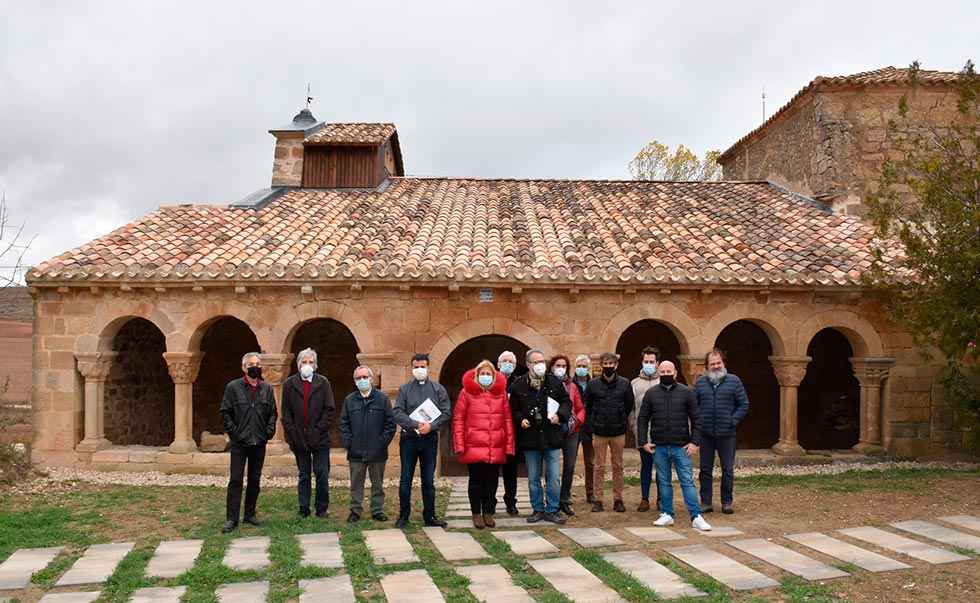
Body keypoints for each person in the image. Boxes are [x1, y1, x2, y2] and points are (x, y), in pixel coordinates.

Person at [637, 361, 712, 531]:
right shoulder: (651, 393)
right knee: (663, 481)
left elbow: (697, 419)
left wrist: (695, 442)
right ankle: (667, 514)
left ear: (675, 373)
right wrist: (643, 442)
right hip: (660, 446)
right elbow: (642, 418)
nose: (665, 374)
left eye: (668, 371)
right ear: (658, 373)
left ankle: (696, 516)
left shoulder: (686, 392)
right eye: (662, 371)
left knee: (687, 481)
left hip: (682, 446)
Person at [509, 349, 571, 524]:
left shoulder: (555, 383)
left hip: (552, 436)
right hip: (530, 438)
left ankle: (552, 510)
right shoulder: (518, 385)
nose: (540, 365)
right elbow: (513, 409)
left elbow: (567, 402)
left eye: (542, 361)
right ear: (528, 364)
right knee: (533, 477)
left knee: (553, 477)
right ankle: (537, 509)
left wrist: (560, 415)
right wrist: (520, 420)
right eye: (536, 362)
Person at [219, 352, 277, 533]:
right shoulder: (233, 387)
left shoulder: (266, 389)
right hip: (240, 442)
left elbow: (273, 413)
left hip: (259, 441)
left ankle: (250, 514)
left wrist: (269, 432)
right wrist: (235, 433)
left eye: (258, 364)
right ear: (244, 367)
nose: (255, 367)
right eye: (251, 364)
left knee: (254, 479)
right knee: (236, 480)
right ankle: (232, 518)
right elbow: (225, 412)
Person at [452, 360, 515, 529]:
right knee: (476, 481)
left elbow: (508, 420)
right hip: (473, 445)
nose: (485, 377)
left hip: (495, 445)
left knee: (492, 481)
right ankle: (476, 513)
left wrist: (509, 445)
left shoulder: (500, 394)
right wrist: (459, 444)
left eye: (489, 374)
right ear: (477, 376)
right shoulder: (466, 393)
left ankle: (488, 512)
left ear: (494, 377)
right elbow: (458, 419)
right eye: (482, 374)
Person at [392, 353, 452, 528]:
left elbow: (446, 412)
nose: (419, 369)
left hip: (429, 440)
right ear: (412, 368)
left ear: (428, 368)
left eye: (422, 366)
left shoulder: (438, 389)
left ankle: (430, 516)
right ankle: (403, 515)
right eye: (416, 367)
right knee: (405, 479)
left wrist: (431, 427)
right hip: (409, 439)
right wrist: (416, 424)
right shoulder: (404, 389)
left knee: (428, 480)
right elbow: (397, 412)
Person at [281, 348, 335, 519]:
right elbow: (286, 412)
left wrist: (318, 430)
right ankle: (303, 508)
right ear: (298, 365)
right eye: (304, 362)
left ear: (316, 365)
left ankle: (322, 508)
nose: (307, 365)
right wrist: (293, 435)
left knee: (321, 472)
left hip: (320, 437)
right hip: (299, 438)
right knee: (304, 474)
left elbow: (329, 409)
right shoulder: (289, 384)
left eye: (311, 362)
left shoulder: (323, 383)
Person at [694, 348, 749, 514]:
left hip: (727, 434)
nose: (716, 366)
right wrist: (699, 424)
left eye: (719, 363)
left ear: (723, 363)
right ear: (707, 366)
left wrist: (732, 421)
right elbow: (694, 406)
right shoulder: (700, 382)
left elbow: (744, 404)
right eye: (712, 364)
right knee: (705, 469)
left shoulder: (734, 381)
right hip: (706, 435)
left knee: (728, 469)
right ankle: (706, 502)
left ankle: (726, 502)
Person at [339, 365, 396, 523]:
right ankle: (355, 510)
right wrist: (348, 443)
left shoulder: (382, 399)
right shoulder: (349, 400)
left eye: (365, 377)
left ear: (371, 379)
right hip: (356, 450)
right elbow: (343, 424)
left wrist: (381, 443)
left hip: (377, 451)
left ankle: (377, 510)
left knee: (377, 483)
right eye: (359, 378)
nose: (362, 380)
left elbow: (390, 425)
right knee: (356, 483)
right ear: (355, 381)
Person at [584, 352, 633, 513]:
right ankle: (598, 499)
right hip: (599, 432)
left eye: (611, 363)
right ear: (601, 365)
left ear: (616, 365)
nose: (608, 366)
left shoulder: (625, 384)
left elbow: (628, 405)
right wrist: (593, 423)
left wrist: (620, 419)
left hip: (618, 432)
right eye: (605, 363)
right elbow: (588, 407)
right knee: (598, 466)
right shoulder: (593, 385)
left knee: (618, 466)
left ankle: (618, 499)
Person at [549, 354, 586, 516]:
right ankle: (552, 500)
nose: (560, 368)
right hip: (552, 429)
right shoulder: (546, 384)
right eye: (558, 365)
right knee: (553, 468)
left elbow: (580, 408)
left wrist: (577, 421)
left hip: (571, 431)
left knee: (569, 466)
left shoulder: (572, 387)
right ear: (551, 367)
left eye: (563, 366)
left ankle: (565, 499)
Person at [628, 346, 661, 513]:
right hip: (643, 433)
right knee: (646, 467)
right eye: (646, 361)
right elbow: (631, 409)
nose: (649, 364)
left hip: (662, 433)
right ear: (642, 362)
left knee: (662, 468)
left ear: (657, 363)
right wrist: (634, 428)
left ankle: (662, 499)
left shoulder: (663, 380)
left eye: (652, 362)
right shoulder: (634, 383)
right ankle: (644, 499)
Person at [497, 350, 522, 516]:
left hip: (512, 432)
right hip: (494, 431)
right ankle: (490, 501)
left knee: (511, 470)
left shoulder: (519, 383)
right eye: (504, 361)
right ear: (498, 364)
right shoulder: (491, 381)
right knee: (491, 470)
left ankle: (510, 501)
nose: (507, 364)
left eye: (510, 362)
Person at [573, 354, 596, 504]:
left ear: (588, 368)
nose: (582, 369)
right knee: (570, 461)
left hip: (589, 426)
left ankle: (590, 492)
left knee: (590, 462)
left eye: (584, 366)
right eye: (579, 366)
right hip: (574, 425)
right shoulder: (570, 383)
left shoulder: (594, 384)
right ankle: (566, 493)